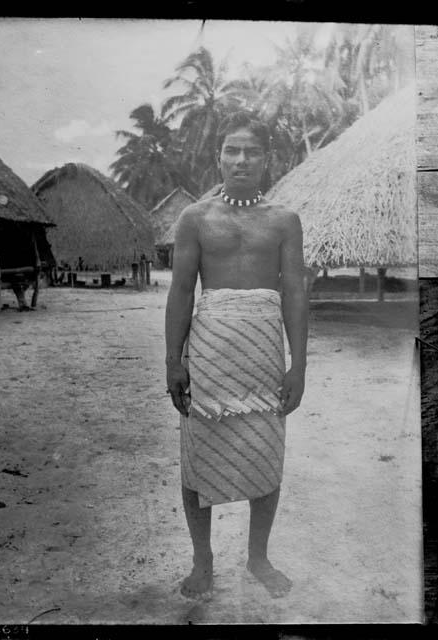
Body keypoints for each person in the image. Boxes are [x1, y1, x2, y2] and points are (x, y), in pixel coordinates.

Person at [165, 111, 308, 601]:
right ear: (219, 157)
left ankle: (258, 557)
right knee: (198, 453)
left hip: (264, 351)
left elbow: (294, 295)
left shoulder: (285, 221)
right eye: (232, 150)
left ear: (266, 160)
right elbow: (182, 291)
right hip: (210, 350)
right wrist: (173, 360)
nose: (241, 159)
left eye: (251, 151)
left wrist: (299, 365)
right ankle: (202, 562)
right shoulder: (195, 219)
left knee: (266, 451)